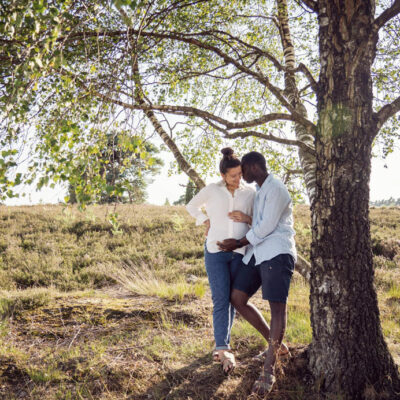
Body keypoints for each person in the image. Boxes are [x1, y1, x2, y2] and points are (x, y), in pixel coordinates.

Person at [217, 151, 296, 395]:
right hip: (257, 253)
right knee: (237, 298)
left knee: (277, 310)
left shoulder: (276, 189)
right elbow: (258, 223)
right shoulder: (261, 190)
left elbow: (266, 227)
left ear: (253, 167)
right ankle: (278, 346)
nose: (242, 176)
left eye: (244, 170)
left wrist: (238, 242)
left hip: (276, 253)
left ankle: (269, 370)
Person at [186, 147, 255, 374]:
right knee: (220, 298)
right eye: (233, 175)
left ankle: (223, 345)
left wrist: (246, 218)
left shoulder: (249, 192)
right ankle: (222, 347)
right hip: (215, 251)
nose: (238, 179)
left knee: (233, 300)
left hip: (239, 252)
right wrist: (204, 220)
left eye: (240, 174)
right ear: (223, 175)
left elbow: (259, 219)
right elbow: (191, 205)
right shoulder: (212, 190)